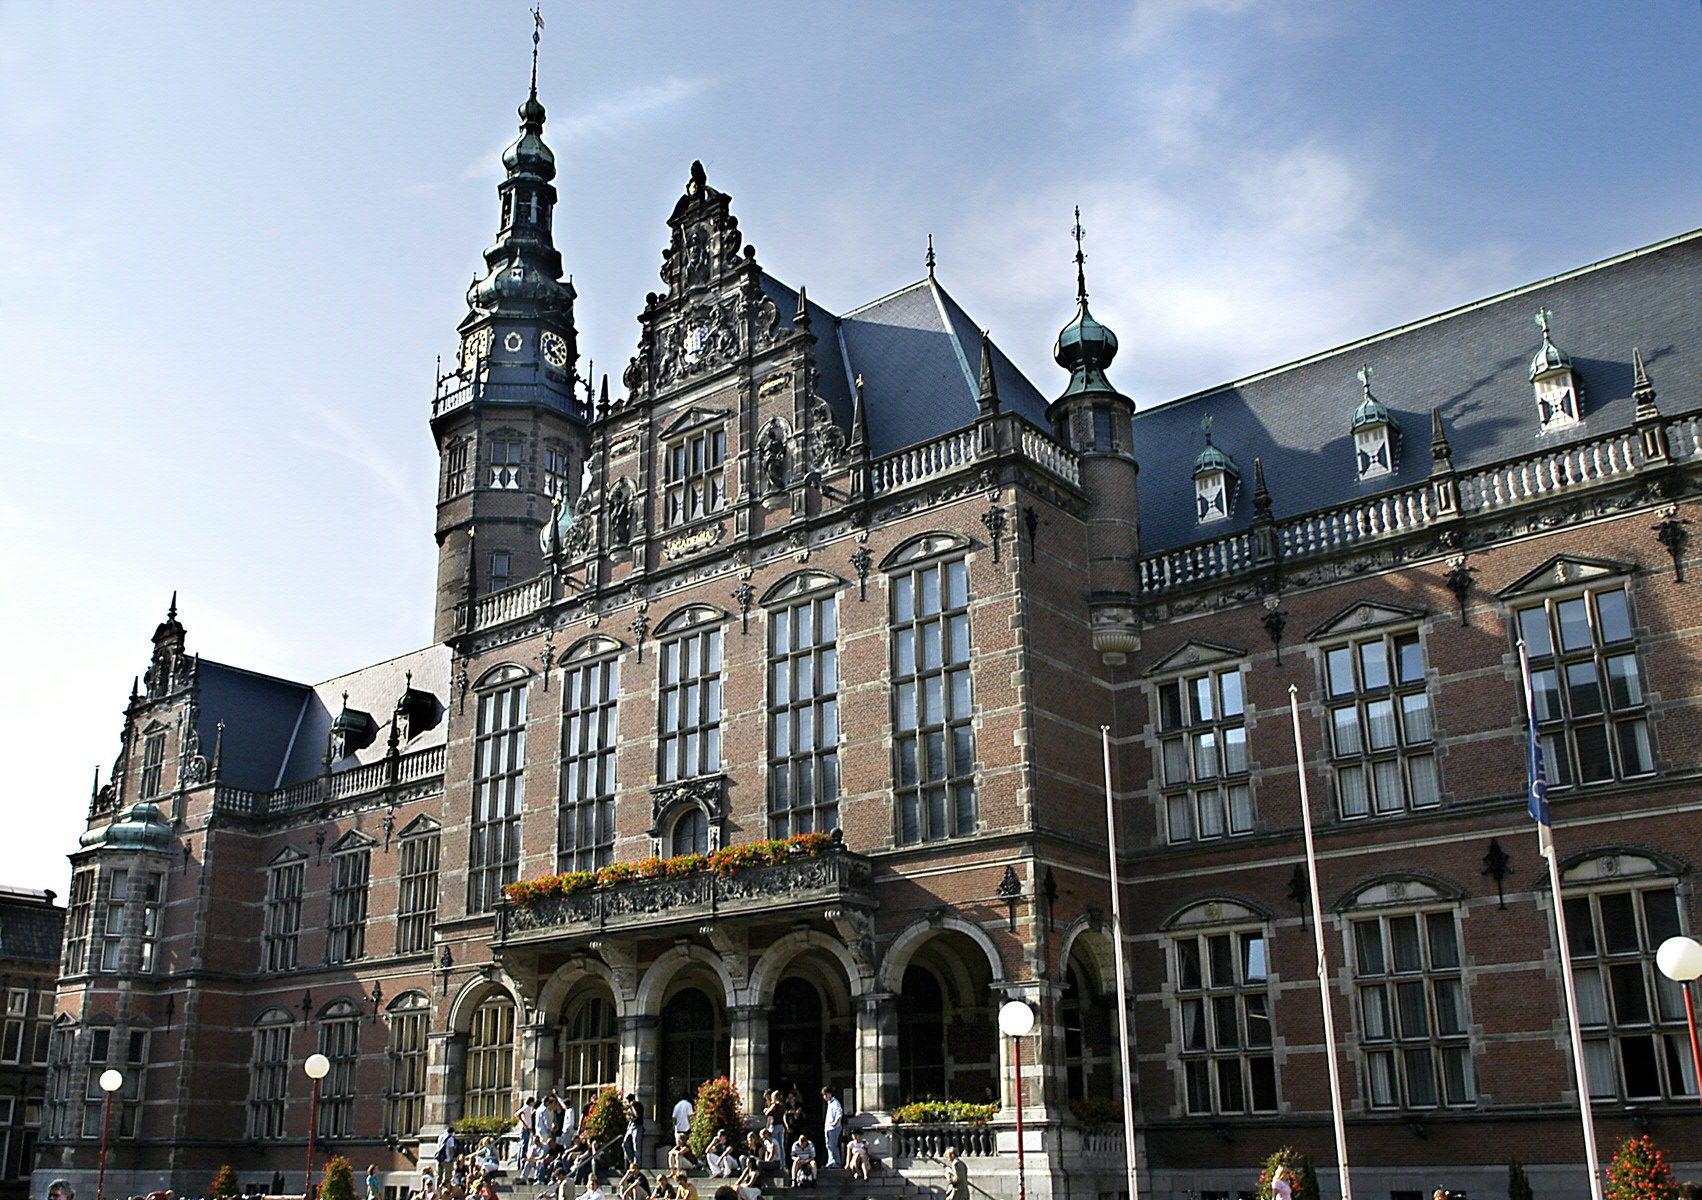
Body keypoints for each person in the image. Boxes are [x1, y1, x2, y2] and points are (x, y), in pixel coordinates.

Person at [762, 1090, 787, 1171]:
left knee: (774, 1144)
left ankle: (774, 1161)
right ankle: (783, 1164)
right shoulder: (783, 1106)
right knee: (781, 1146)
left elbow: (767, 1113)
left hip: (774, 1125)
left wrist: (766, 1109)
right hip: (781, 1126)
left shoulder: (775, 1105)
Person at [820, 1089, 843, 1169]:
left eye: (826, 1095)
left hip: (834, 1128)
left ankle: (836, 1162)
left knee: (833, 1145)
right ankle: (831, 1161)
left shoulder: (835, 1103)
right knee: (828, 1145)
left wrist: (836, 1122)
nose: (824, 1097)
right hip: (828, 1128)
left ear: (830, 1094)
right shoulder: (829, 1104)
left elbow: (839, 1112)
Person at [623, 1094, 646, 1167]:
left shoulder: (638, 1105)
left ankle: (637, 1163)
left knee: (636, 1145)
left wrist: (632, 1106)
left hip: (638, 1126)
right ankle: (632, 1161)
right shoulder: (631, 1108)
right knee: (625, 1143)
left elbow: (636, 1115)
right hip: (632, 1125)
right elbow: (631, 1117)